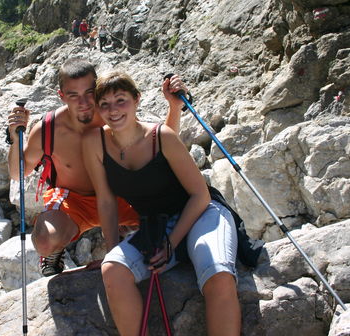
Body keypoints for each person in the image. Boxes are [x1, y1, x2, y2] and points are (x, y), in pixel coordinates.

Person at [82, 72, 241, 336]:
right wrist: (111, 251)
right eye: (105, 104)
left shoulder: (161, 136)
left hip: (202, 213)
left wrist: (171, 243)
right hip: (156, 224)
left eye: (121, 100)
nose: (113, 110)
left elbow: (199, 195)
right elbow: (107, 200)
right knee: (113, 269)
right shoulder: (94, 143)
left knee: (218, 275)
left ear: (136, 100)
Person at [7, 58, 188, 276]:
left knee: (165, 225)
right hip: (73, 201)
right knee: (44, 240)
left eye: (89, 93)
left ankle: (125, 243)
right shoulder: (47, 129)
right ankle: (53, 254)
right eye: (73, 95)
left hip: (121, 196)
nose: (83, 102)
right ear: (61, 96)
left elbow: (158, 146)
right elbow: (18, 173)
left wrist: (174, 107)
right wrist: (16, 139)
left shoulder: (111, 116)